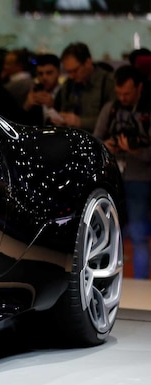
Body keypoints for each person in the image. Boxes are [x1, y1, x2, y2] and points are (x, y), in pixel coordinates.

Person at [93, 65, 151, 279]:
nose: (123, 98)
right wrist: (108, 145)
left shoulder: (146, 110)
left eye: (127, 93)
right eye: (119, 93)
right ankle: (105, 281)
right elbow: (96, 139)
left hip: (140, 178)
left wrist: (134, 149)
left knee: (138, 234)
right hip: (114, 176)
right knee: (106, 233)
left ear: (139, 87)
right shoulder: (111, 109)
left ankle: (141, 282)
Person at [55, 42, 115, 132]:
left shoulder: (107, 82)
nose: (71, 76)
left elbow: (112, 120)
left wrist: (80, 122)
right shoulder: (69, 84)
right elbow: (65, 108)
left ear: (88, 62)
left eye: (75, 71)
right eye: (68, 72)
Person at [22, 53, 62, 125]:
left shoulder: (66, 93)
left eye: (49, 73)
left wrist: (53, 108)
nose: (44, 77)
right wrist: (27, 106)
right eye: (40, 74)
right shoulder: (34, 92)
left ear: (58, 72)